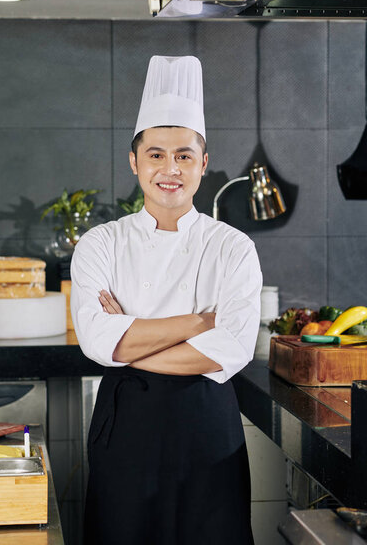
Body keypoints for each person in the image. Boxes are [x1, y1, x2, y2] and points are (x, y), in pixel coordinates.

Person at [70, 55, 262, 545]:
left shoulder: (232, 246)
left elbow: (232, 348)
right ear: (135, 162)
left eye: (182, 155)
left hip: (207, 430)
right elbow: (96, 341)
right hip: (126, 427)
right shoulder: (101, 243)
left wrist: (131, 337)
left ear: (203, 161)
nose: (169, 169)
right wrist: (198, 322)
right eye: (155, 155)